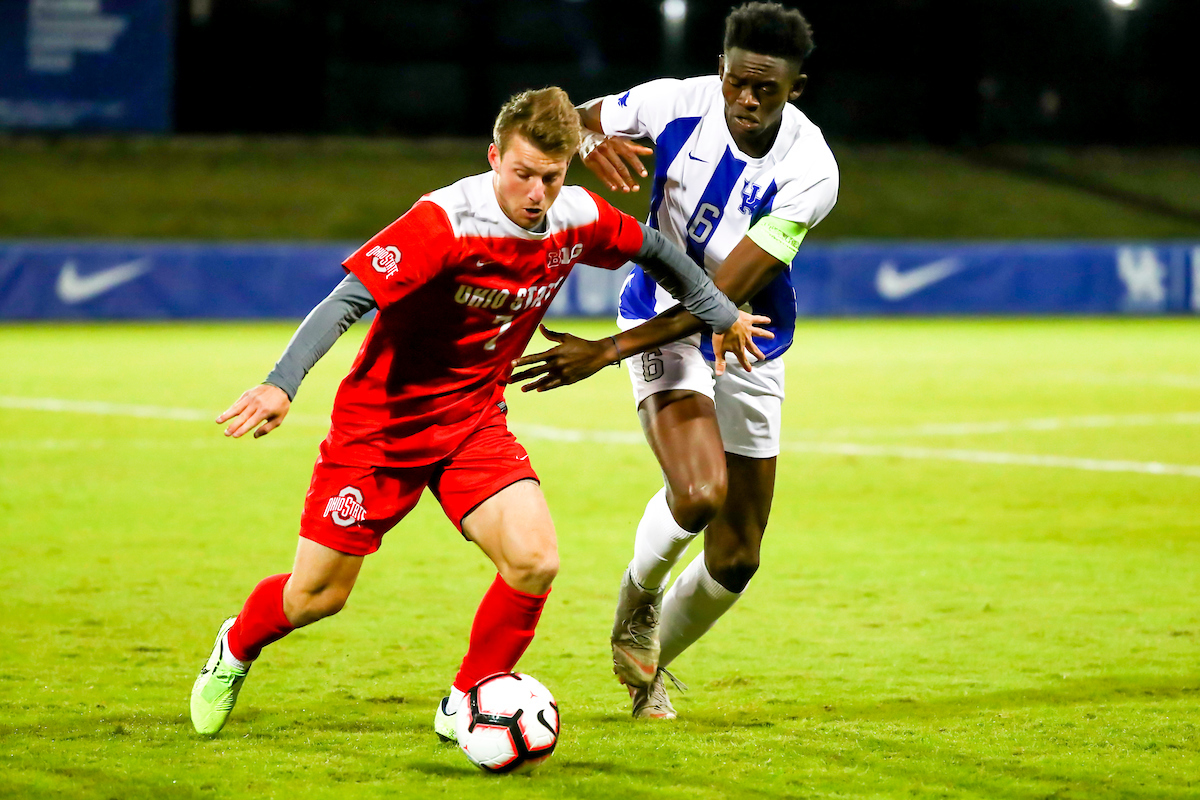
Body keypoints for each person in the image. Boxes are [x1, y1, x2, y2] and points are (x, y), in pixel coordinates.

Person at [188, 86, 771, 740]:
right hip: (381, 429)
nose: (534, 193)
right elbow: (347, 300)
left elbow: (659, 254)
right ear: (494, 157)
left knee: (535, 560)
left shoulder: (576, 215)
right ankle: (235, 646)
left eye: (549, 178)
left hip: (473, 424)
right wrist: (280, 384)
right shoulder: (445, 222)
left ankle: (467, 700)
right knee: (316, 596)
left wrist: (724, 315)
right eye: (521, 173)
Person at [510, 3, 839, 719]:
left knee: (737, 556)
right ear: (720, 70)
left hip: (745, 331)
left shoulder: (812, 170)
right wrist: (592, 138)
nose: (747, 101)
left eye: (767, 90)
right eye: (736, 83)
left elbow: (724, 296)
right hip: (658, 319)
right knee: (697, 494)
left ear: (797, 89)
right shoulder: (674, 102)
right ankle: (639, 601)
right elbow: (564, 113)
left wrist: (605, 352)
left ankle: (649, 668)